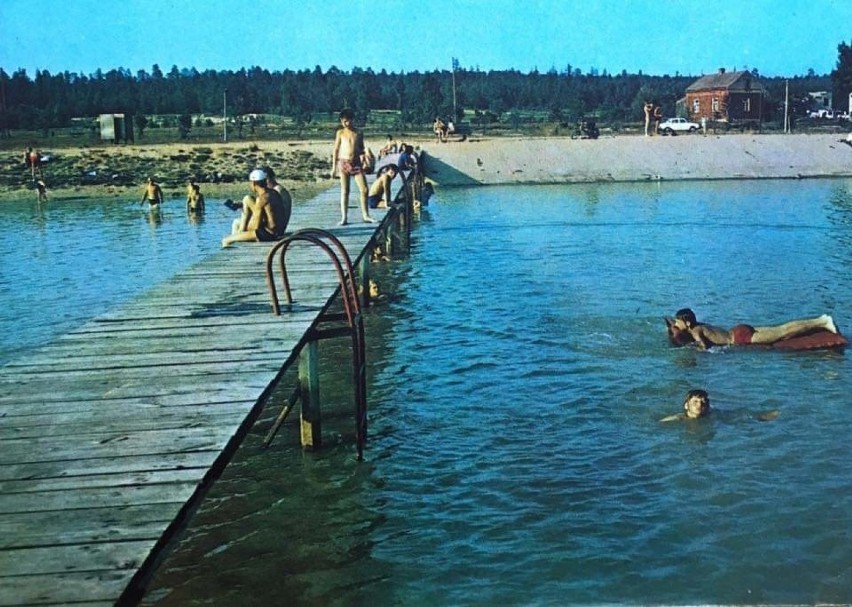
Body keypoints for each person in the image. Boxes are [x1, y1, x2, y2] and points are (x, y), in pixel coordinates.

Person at [666, 308, 839, 350]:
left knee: (783, 332)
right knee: (781, 328)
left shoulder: (695, 331)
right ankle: (821, 321)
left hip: (739, 339)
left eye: (678, 322)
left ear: (687, 324)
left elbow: (704, 347)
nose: (675, 324)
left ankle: (822, 321)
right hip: (738, 329)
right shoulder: (699, 325)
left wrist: (693, 351)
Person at [222, 168, 289, 247]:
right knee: (247, 199)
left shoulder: (261, 199)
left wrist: (242, 232)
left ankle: (232, 257)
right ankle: (240, 232)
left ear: (253, 183)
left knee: (226, 240)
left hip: (268, 234)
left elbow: (256, 226)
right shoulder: (274, 193)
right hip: (278, 231)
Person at [331, 108, 375, 225]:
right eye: (344, 121)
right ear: (341, 121)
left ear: (352, 120)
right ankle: (344, 217)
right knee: (345, 191)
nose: (347, 123)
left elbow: (361, 149)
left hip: (356, 163)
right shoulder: (340, 133)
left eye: (349, 121)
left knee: (364, 189)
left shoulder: (358, 133)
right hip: (343, 162)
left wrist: (366, 159)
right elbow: (336, 150)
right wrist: (333, 168)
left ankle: (366, 215)